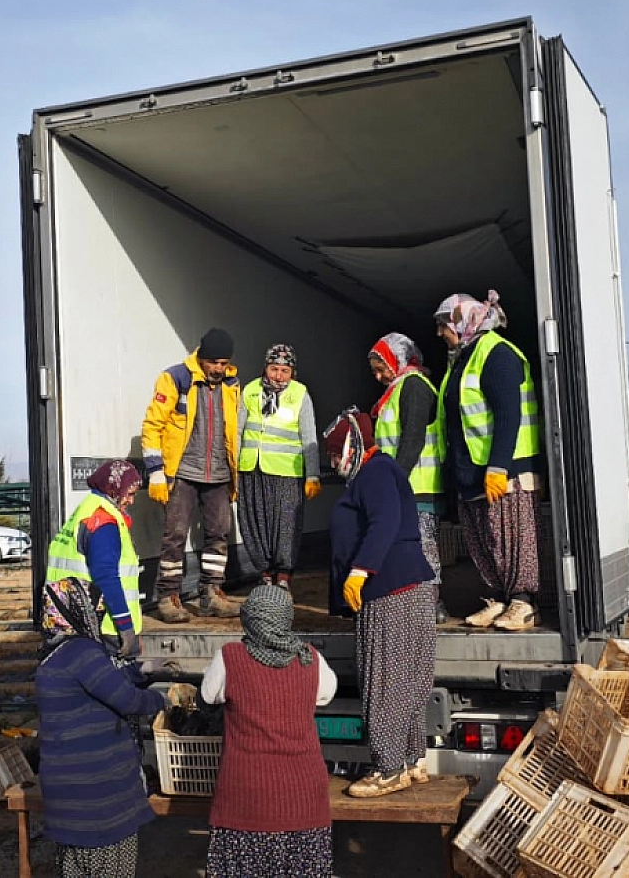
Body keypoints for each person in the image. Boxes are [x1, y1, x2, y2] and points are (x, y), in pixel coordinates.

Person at [325, 408, 437, 799]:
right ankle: (411, 760)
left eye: (336, 454)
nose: (334, 463)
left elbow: (384, 520)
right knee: (408, 680)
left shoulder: (374, 473)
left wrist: (360, 570)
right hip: (409, 587)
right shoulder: (380, 472)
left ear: (352, 447)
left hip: (388, 590)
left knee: (386, 682)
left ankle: (388, 769)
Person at [200, 585, 337, 877]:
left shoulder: (230, 657)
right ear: (286, 619)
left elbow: (208, 695)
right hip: (304, 802)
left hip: (244, 803)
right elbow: (326, 694)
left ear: (249, 619)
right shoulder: (310, 658)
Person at [35, 578, 166, 878]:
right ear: (77, 612)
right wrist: (160, 701)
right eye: (95, 612)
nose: (98, 617)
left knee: (75, 869)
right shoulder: (83, 652)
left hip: (67, 799)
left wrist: (140, 671)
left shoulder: (54, 654)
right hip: (98, 800)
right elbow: (126, 699)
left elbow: (102, 683)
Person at [435, 290, 543, 633]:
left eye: (443, 325)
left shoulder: (497, 354)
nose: (440, 333)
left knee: (510, 537)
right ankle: (498, 599)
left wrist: (497, 466)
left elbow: (509, 415)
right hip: (472, 470)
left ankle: (524, 603)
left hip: (504, 470)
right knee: (484, 539)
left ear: (463, 321)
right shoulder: (463, 358)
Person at [142, 327, 244, 623]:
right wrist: (156, 473)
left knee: (218, 536)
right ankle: (168, 597)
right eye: (214, 363)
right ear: (201, 356)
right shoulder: (175, 378)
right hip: (183, 473)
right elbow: (152, 426)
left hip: (219, 473)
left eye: (224, 363)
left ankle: (212, 593)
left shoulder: (231, 383)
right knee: (174, 536)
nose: (218, 369)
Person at [368, 332, 448, 622]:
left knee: (424, 547)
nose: (378, 377)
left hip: (418, 487)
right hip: (405, 485)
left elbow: (412, 440)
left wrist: (395, 482)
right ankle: (414, 603)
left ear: (397, 360)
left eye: (381, 369)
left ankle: (432, 604)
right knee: (407, 548)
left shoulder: (413, 387)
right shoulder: (399, 389)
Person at [237, 344, 322, 590]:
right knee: (254, 521)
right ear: (265, 367)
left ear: (292, 372)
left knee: (285, 525)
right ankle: (263, 572)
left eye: (285, 370)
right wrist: (232, 470)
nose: (278, 375)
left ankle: (283, 574)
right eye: (274, 369)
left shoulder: (300, 394)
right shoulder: (250, 390)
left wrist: (313, 474)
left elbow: (310, 437)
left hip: (287, 472)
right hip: (252, 469)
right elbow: (236, 432)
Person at [44, 459, 146, 659]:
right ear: (114, 488)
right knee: (115, 686)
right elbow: (107, 577)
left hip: (69, 621)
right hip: (104, 627)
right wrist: (125, 626)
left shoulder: (85, 510)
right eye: (130, 494)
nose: (131, 501)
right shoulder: (103, 521)